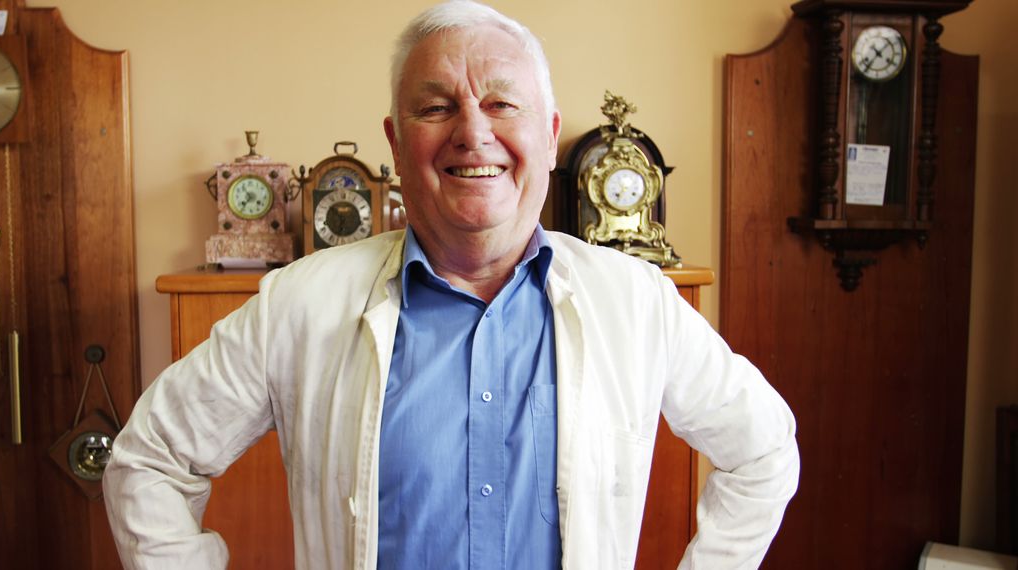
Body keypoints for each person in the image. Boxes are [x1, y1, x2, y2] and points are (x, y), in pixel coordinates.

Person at [103, 1, 799, 568]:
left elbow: (764, 452)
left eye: (503, 104)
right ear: (396, 143)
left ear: (550, 136)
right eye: (436, 107)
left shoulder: (636, 302)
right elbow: (149, 462)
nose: (473, 132)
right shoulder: (300, 303)